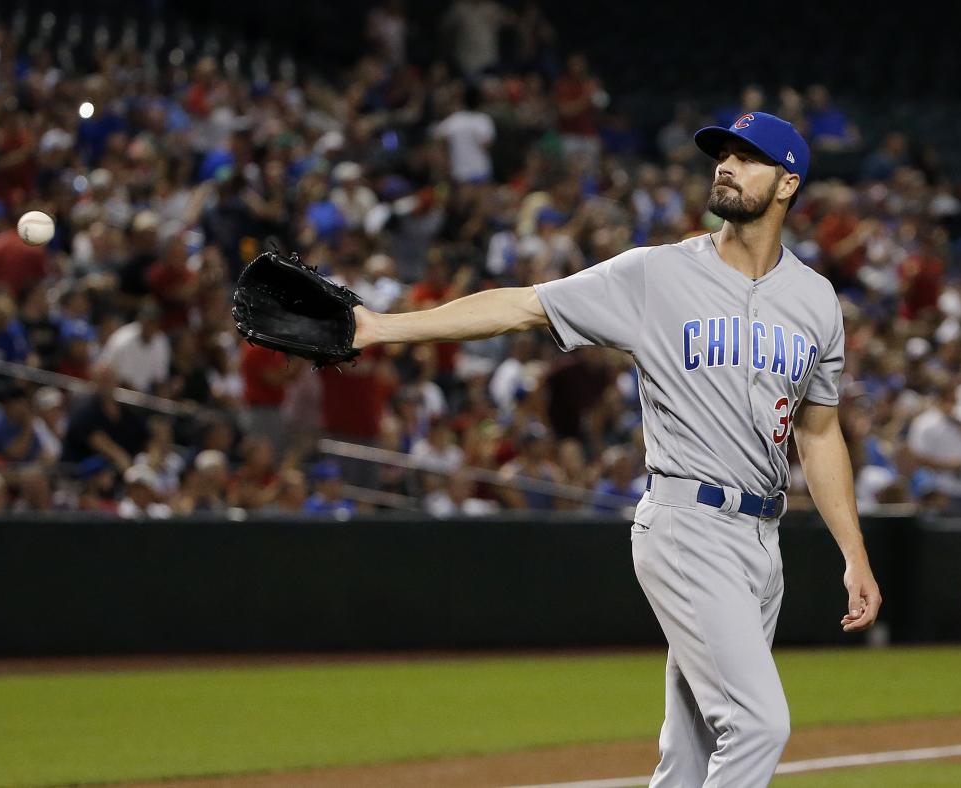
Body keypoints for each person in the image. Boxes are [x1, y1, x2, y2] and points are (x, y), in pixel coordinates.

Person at [346, 111, 881, 786]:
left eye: (748, 157)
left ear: (787, 185)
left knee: (689, 753)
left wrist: (854, 554)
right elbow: (521, 306)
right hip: (688, 524)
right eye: (723, 153)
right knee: (758, 724)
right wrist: (380, 327)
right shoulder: (656, 274)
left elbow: (820, 431)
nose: (726, 165)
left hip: (761, 543)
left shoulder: (815, 300)